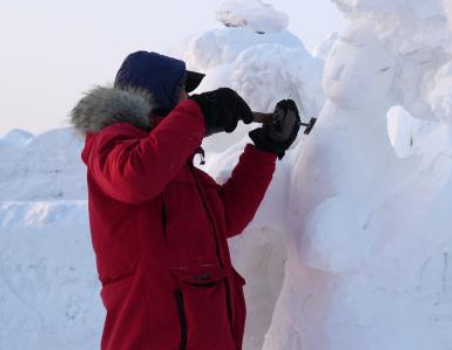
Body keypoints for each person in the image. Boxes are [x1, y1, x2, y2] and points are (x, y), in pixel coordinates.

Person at [70, 50, 299, 350]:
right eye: (183, 91)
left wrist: (266, 149)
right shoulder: (111, 145)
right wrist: (199, 114)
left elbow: (228, 217)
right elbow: (136, 176)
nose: (188, 98)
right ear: (158, 93)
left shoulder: (181, 172)